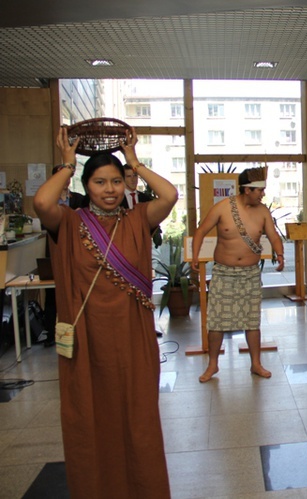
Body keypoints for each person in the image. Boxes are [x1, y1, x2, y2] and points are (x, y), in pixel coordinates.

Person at [33, 126, 177, 497]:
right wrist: (67, 164)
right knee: (90, 422)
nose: (110, 189)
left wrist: (134, 163)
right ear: (86, 185)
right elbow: (42, 204)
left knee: (138, 421)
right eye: (99, 182)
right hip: (87, 345)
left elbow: (170, 195)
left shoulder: (138, 220)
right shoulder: (68, 223)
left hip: (132, 342)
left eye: (115, 181)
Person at [191, 166, 285, 382]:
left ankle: (256, 364)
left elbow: (273, 236)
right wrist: (196, 256)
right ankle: (212, 365)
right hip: (224, 272)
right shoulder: (223, 208)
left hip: (250, 273)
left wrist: (279, 254)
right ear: (247, 190)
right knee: (217, 321)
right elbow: (201, 231)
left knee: (252, 321)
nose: (263, 194)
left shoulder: (262, 211)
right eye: (259, 190)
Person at [42, 163, 85, 347]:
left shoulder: (79, 199)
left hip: (76, 248)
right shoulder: (49, 201)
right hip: (55, 246)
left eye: (68, 176)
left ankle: (79, 332)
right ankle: (52, 334)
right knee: (53, 292)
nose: (66, 180)